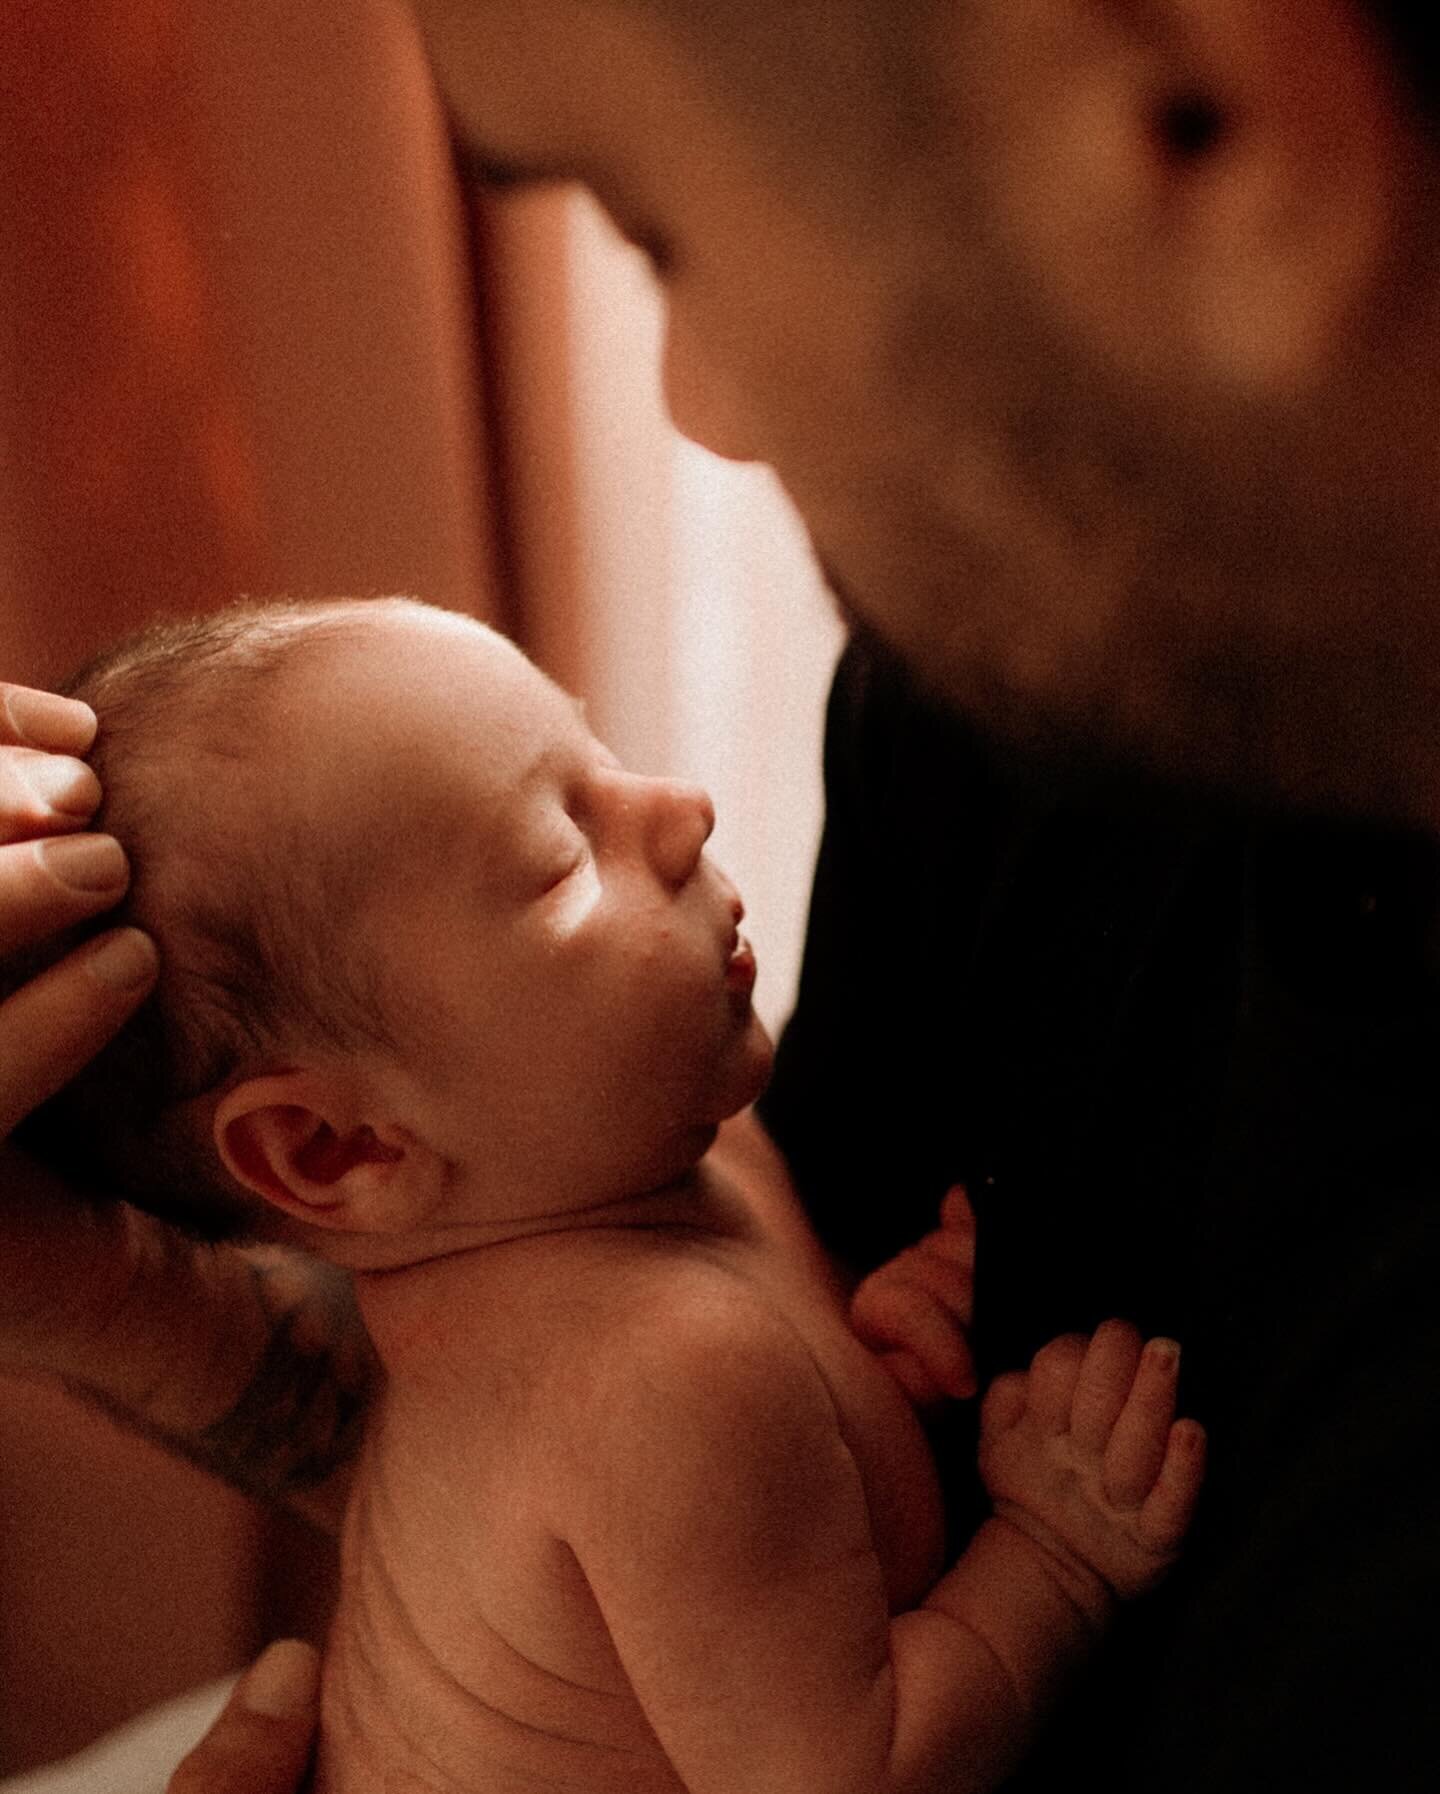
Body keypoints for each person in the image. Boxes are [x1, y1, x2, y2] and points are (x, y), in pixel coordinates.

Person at [3, 1, 1439, 1787]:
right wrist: (76, 1281)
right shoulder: (1007, 689)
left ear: (1201, 101)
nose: (701, 402)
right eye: (554, 850)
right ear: (334, 1157)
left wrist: (1025, 1535)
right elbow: (584, 1509)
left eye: (657, 221)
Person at [11, 595, 1202, 1793]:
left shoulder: (666, 1173)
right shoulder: (656, 1373)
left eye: (606, 760)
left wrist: (871, 1387)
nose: (684, 812)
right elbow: (847, 1774)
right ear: (340, 1153)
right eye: (563, 855)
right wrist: (1054, 1558)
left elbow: (734, 1519)